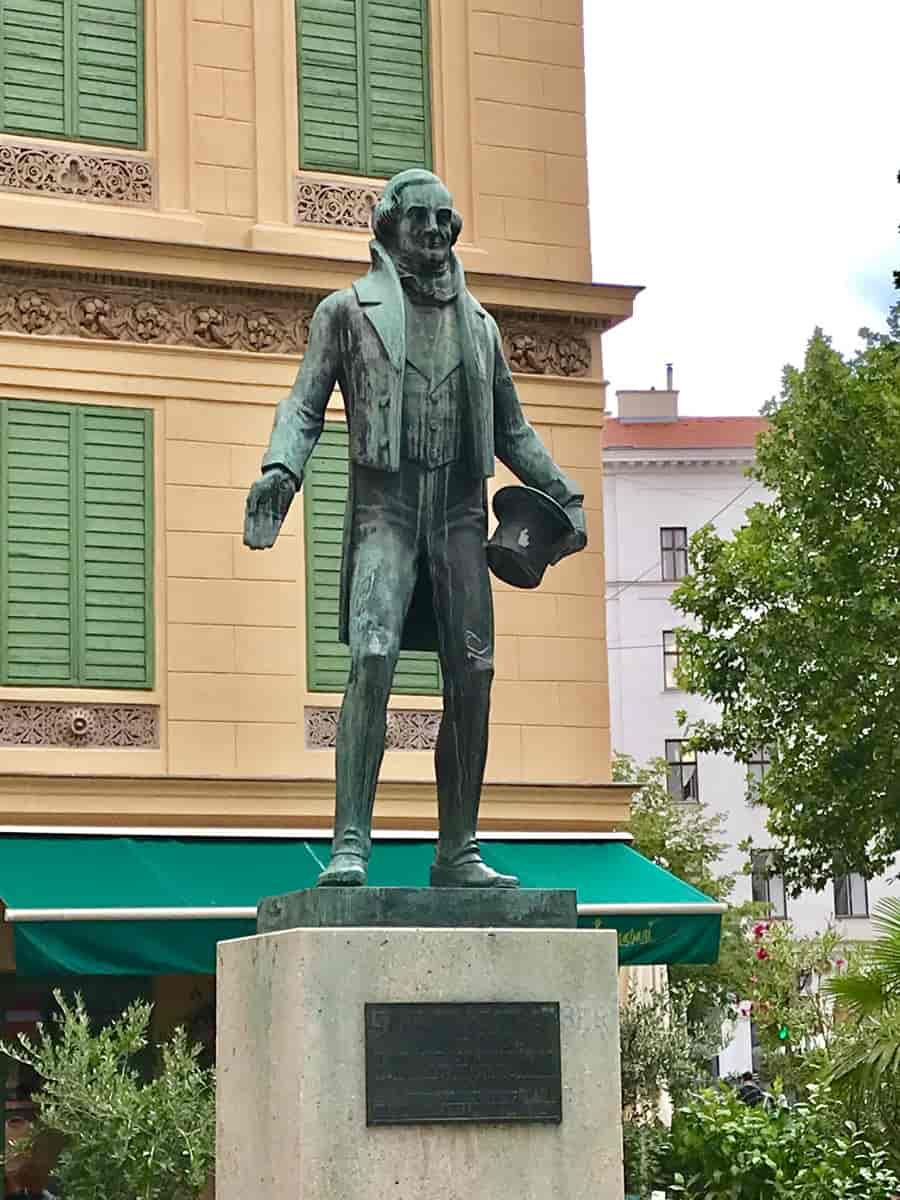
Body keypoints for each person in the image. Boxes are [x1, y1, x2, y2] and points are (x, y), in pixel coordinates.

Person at [244, 168, 586, 888]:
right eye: (421, 220)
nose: (436, 233)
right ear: (389, 227)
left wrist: (565, 494)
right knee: (372, 657)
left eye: (446, 221)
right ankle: (349, 843)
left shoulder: (481, 327)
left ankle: (457, 850)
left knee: (475, 673)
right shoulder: (345, 312)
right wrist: (282, 470)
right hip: (386, 512)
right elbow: (304, 405)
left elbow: (513, 432)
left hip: (461, 513)